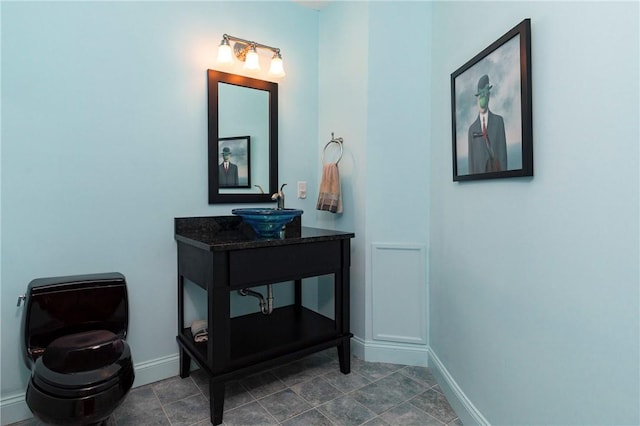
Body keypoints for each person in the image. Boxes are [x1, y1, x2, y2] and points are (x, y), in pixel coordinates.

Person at [467, 74, 507, 173]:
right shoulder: (472, 130)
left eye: (485, 94)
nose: (482, 99)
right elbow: (471, 166)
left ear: (489, 96)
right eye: (480, 95)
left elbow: (503, 157)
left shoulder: (498, 122)